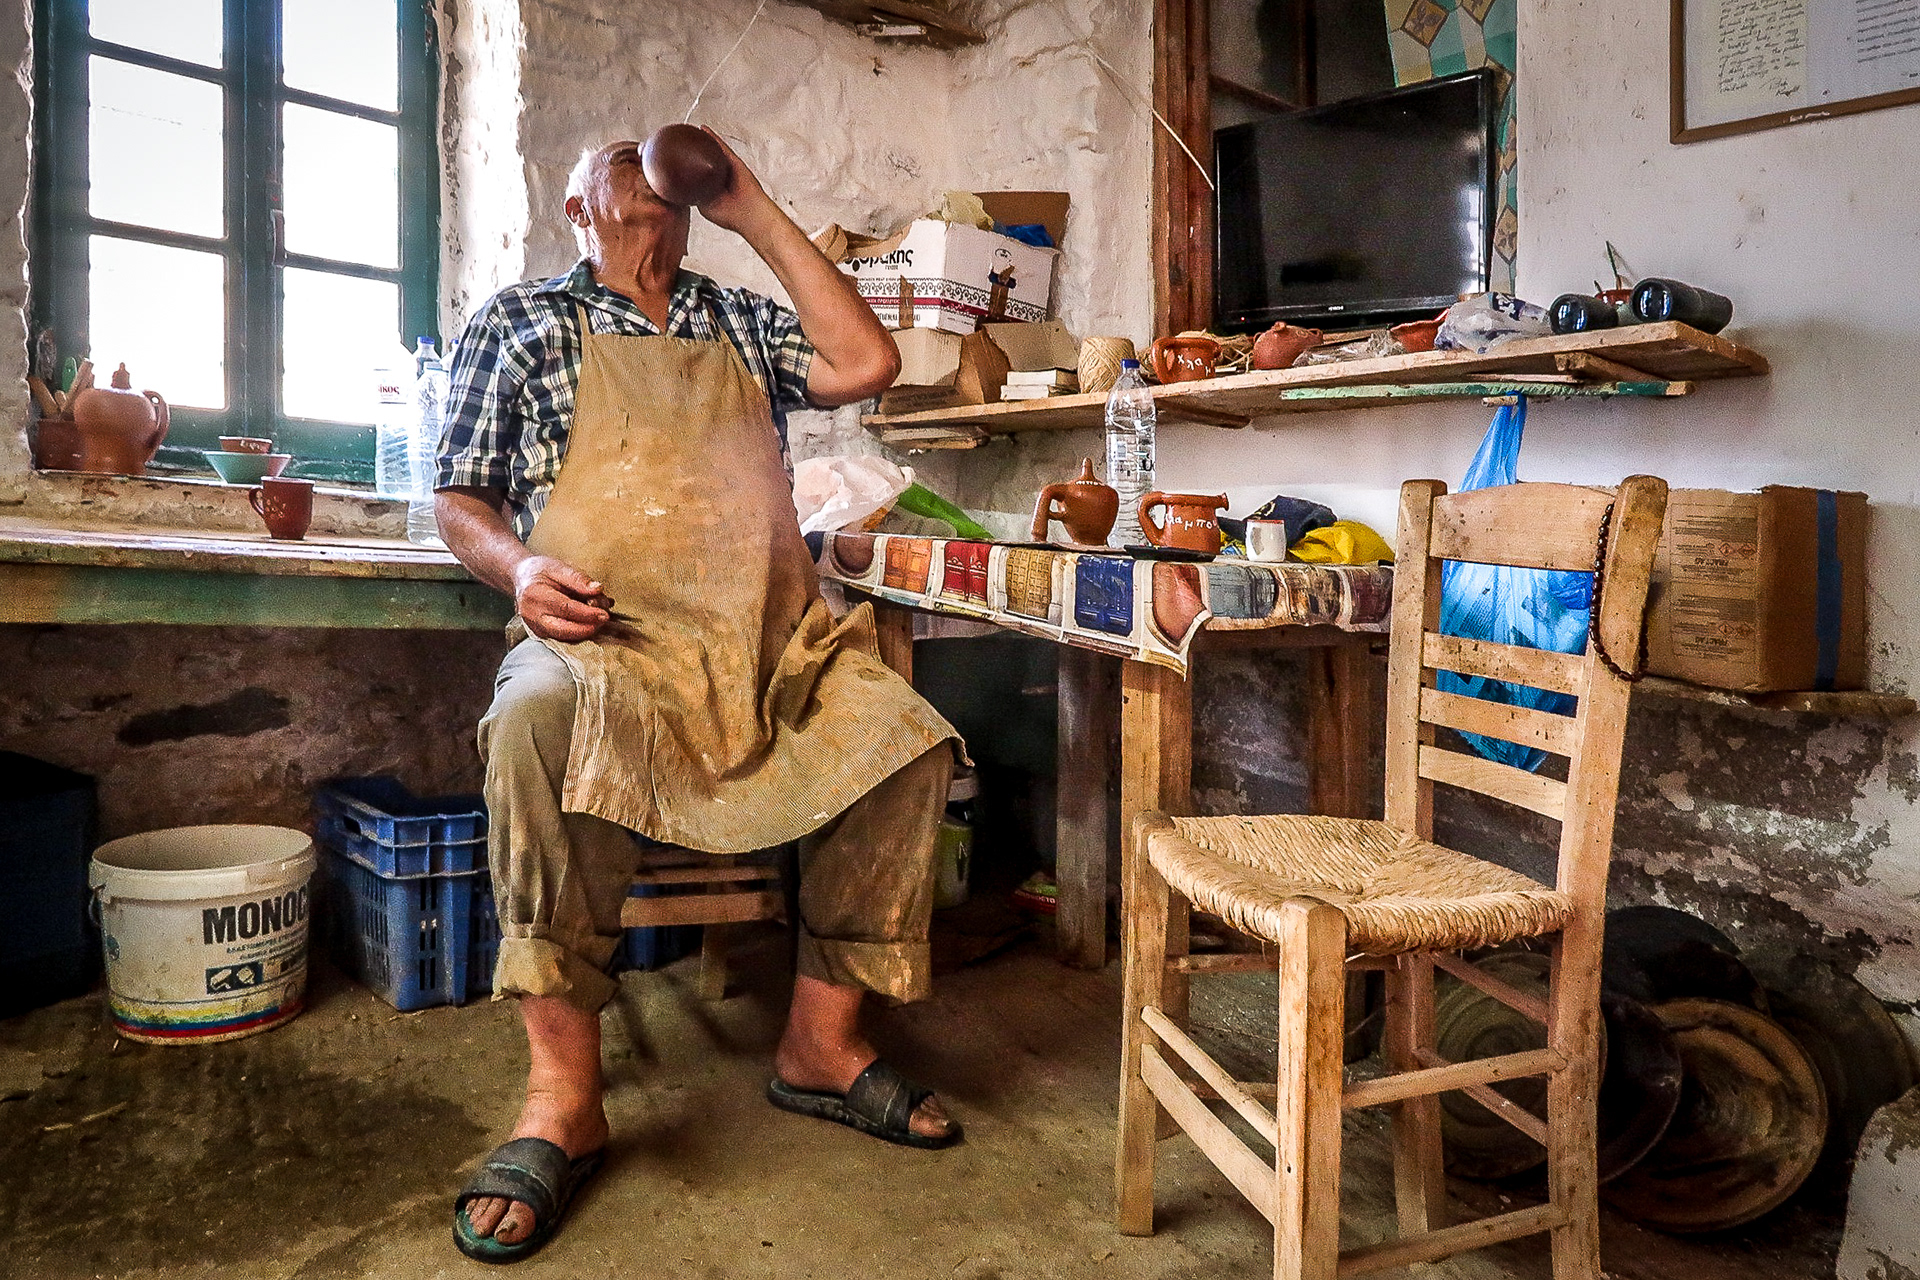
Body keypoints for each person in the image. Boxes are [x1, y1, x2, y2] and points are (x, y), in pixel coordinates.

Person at [435, 131, 964, 1264]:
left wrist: (746, 201)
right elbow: (459, 498)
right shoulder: (519, 321)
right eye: (610, 163)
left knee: (905, 735)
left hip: (765, 645)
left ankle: (820, 1043)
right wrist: (520, 570)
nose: (638, 165)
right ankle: (562, 1093)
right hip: (606, 641)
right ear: (576, 210)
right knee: (529, 718)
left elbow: (868, 365)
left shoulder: (736, 317)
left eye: (652, 161)